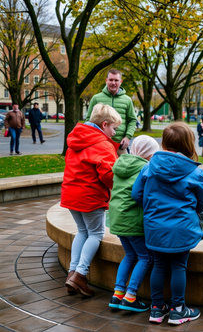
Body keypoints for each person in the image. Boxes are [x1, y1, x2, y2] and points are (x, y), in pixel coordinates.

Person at [132, 122, 203, 325]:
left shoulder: (148, 167)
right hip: (182, 229)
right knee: (178, 266)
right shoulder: (193, 172)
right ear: (188, 144)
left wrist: (153, 207)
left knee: (158, 265)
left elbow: (136, 195)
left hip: (154, 228)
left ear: (164, 143)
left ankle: (157, 309)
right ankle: (178, 310)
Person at [62, 104, 122, 297]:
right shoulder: (102, 144)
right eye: (114, 128)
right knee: (96, 234)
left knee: (82, 231)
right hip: (90, 196)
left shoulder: (77, 138)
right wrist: (120, 184)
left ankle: (72, 272)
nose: (114, 133)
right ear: (104, 125)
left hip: (71, 193)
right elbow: (108, 175)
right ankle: (80, 274)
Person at [108, 135, 160, 312]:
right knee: (146, 257)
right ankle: (130, 297)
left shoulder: (122, 164)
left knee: (130, 255)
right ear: (147, 155)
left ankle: (117, 293)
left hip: (117, 219)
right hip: (133, 221)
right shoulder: (145, 168)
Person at [86, 69, 137, 155]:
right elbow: (89, 121)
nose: (113, 83)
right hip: (100, 144)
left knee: (123, 168)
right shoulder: (96, 98)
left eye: (116, 80)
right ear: (106, 81)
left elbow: (132, 120)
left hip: (120, 145)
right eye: (111, 80)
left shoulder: (127, 100)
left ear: (121, 82)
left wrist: (128, 137)